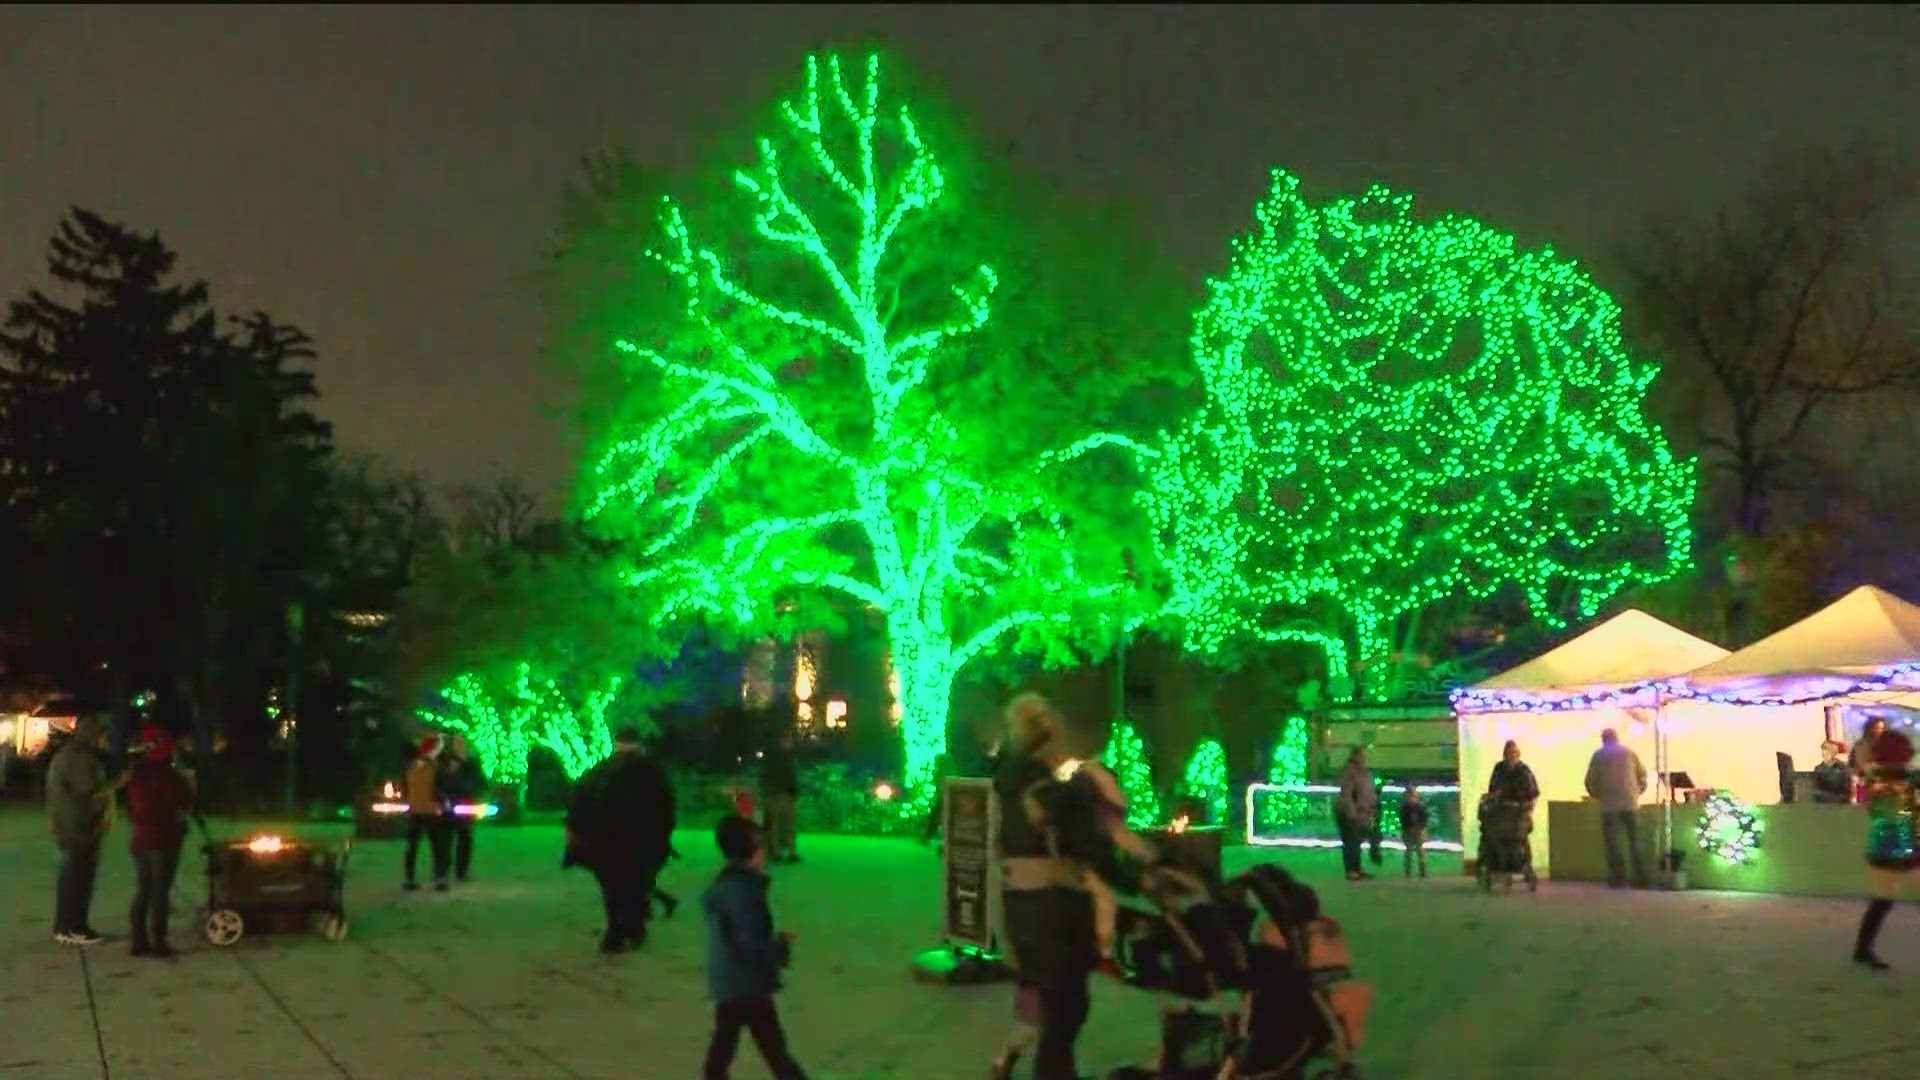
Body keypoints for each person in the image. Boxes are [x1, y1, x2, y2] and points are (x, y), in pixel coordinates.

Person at [991, 693, 1159, 1080]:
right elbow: (1089, 846)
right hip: (1055, 912)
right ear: (1049, 735)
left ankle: (1013, 1062)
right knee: (1067, 1006)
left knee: (1041, 996)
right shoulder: (1053, 791)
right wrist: (1139, 876)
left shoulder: (1012, 781)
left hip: (1020, 907)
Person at [701, 813, 808, 1079]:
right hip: (746, 983)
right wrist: (780, 947)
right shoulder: (744, 890)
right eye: (761, 846)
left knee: (727, 1042)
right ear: (752, 851)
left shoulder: (728, 884)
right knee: (773, 1049)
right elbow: (750, 942)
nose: (765, 854)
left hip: (730, 980)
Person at [565, 726, 676, 954]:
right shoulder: (652, 773)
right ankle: (631, 928)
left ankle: (617, 930)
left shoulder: (601, 771)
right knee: (635, 886)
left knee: (613, 888)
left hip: (606, 841)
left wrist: (575, 831)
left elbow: (580, 801)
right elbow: (665, 809)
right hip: (640, 841)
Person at [126, 725, 193, 958]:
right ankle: (159, 941)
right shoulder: (171, 777)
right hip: (164, 839)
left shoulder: (136, 774)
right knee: (160, 891)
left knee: (144, 888)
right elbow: (185, 802)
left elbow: (132, 809)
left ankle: (138, 940)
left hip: (140, 839)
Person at [1855, 724, 1918, 970]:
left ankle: (1862, 949)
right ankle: (1862, 950)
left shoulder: (1873, 778)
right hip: (1902, 848)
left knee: (1882, 900)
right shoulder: (1903, 779)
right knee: (1883, 900)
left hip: (1880, 848)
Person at [48, 718, 114, 945]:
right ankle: (71, 927)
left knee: (74, 878)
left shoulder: (70, 755)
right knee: (77, 880)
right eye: (102, 735)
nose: (104, 741)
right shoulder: (79, 759)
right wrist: (113, 788)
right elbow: (89, 791)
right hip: (78, 828)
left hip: (71, 827)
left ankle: (69, 926)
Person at [1584, 728, 1649, 889]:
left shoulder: (1598, 755)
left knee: (1613, 843)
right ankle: (1641, 878)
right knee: (1635, 841)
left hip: (1609, 805)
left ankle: (1618, 879)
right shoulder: (1629, 752)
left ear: (1603, 739)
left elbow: (1589, 780)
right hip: (1630, 803)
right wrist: (1637, 793)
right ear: (1617, 738)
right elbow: (1643, 776)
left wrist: (1597, 795)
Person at [402, 735, 452, 892]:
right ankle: (440, 879)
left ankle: (409, 878)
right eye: (439, 746)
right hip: (433, 811)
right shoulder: (436, 768)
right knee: (439, 847)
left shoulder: (411, 766)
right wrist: (446, 804)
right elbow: (440, 789)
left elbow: (404, 788)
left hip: (415, 810)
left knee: (412, 847)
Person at [439, 735, 487, 883]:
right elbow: (440, 780)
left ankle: (462, 871)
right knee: (445, 840)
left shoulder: (472, 762)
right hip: (449, 805)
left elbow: (480, 782)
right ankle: (443, 871)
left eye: (462, 743)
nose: (459, 745)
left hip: (467, 805)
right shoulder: (446, 761)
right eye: (457, 743)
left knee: (465, 839)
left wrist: (477, 796)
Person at [1333, 748, 1377, 882]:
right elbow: (1347, 794)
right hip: (1350, 813)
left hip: (1361, 813)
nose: (1365, 758)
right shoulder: (1350, 772)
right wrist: (1351, 812)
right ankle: (1351, 870)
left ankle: (1356, 869)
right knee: (1351, 841)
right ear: (1355, 756)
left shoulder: (1363, 772)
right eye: (1362, 755)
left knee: (1356, 841)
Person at [758, 732, 800, 864]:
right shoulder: (788, 758)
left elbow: (763, 776)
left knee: (774, 825)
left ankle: (776, 852)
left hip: (772, 794)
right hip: (785, 794)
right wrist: (794, 792)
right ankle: (790, 852)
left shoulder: (770, 758)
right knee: (788, 825)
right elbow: (792, 777)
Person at [1398, 785, 1430, 879]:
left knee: (1416, 851)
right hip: (1411, 830)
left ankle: (1419, 872)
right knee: (1413, 851)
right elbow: (1424, 819)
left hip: (1415, 830)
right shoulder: (1417, 807)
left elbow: (1424, 819)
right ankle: (1416, 872)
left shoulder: (1408, 807)